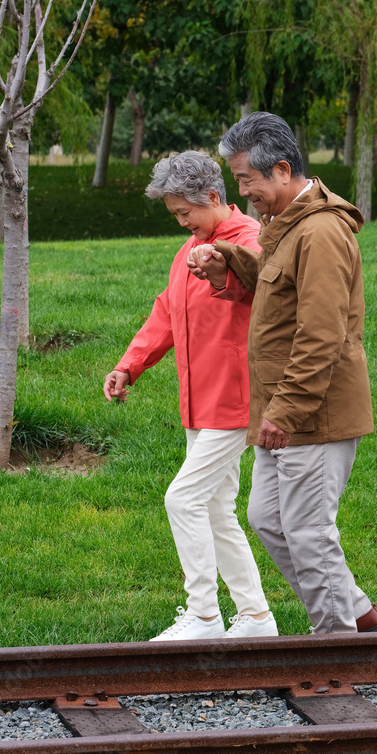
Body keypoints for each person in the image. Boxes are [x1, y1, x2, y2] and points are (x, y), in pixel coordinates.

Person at [187, 113, 377, 635]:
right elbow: (278, 293)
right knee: (269, 521)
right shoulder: (287, 225)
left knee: (307, 530)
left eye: (246, 179)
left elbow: (322, 334)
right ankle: (357, 613)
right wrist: (229, 260)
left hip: (309, 414)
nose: (242, 191)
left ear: (280, 169)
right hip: (283, 410)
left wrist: (287, 411)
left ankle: (337, 645)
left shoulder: (320, 232)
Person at [103, 150, 277, 641]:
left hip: (235, 401)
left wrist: (221, 266)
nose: (183, 224)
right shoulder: (190, 249)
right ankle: (257, 618)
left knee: (182, 499)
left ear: (215, 197)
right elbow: (166, 313)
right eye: (175, 215)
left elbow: (255, 285)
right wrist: (128, 365)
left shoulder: (250, 241)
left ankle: (203, 615)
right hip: (199, 403)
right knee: (217, 509)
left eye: (186, 213)